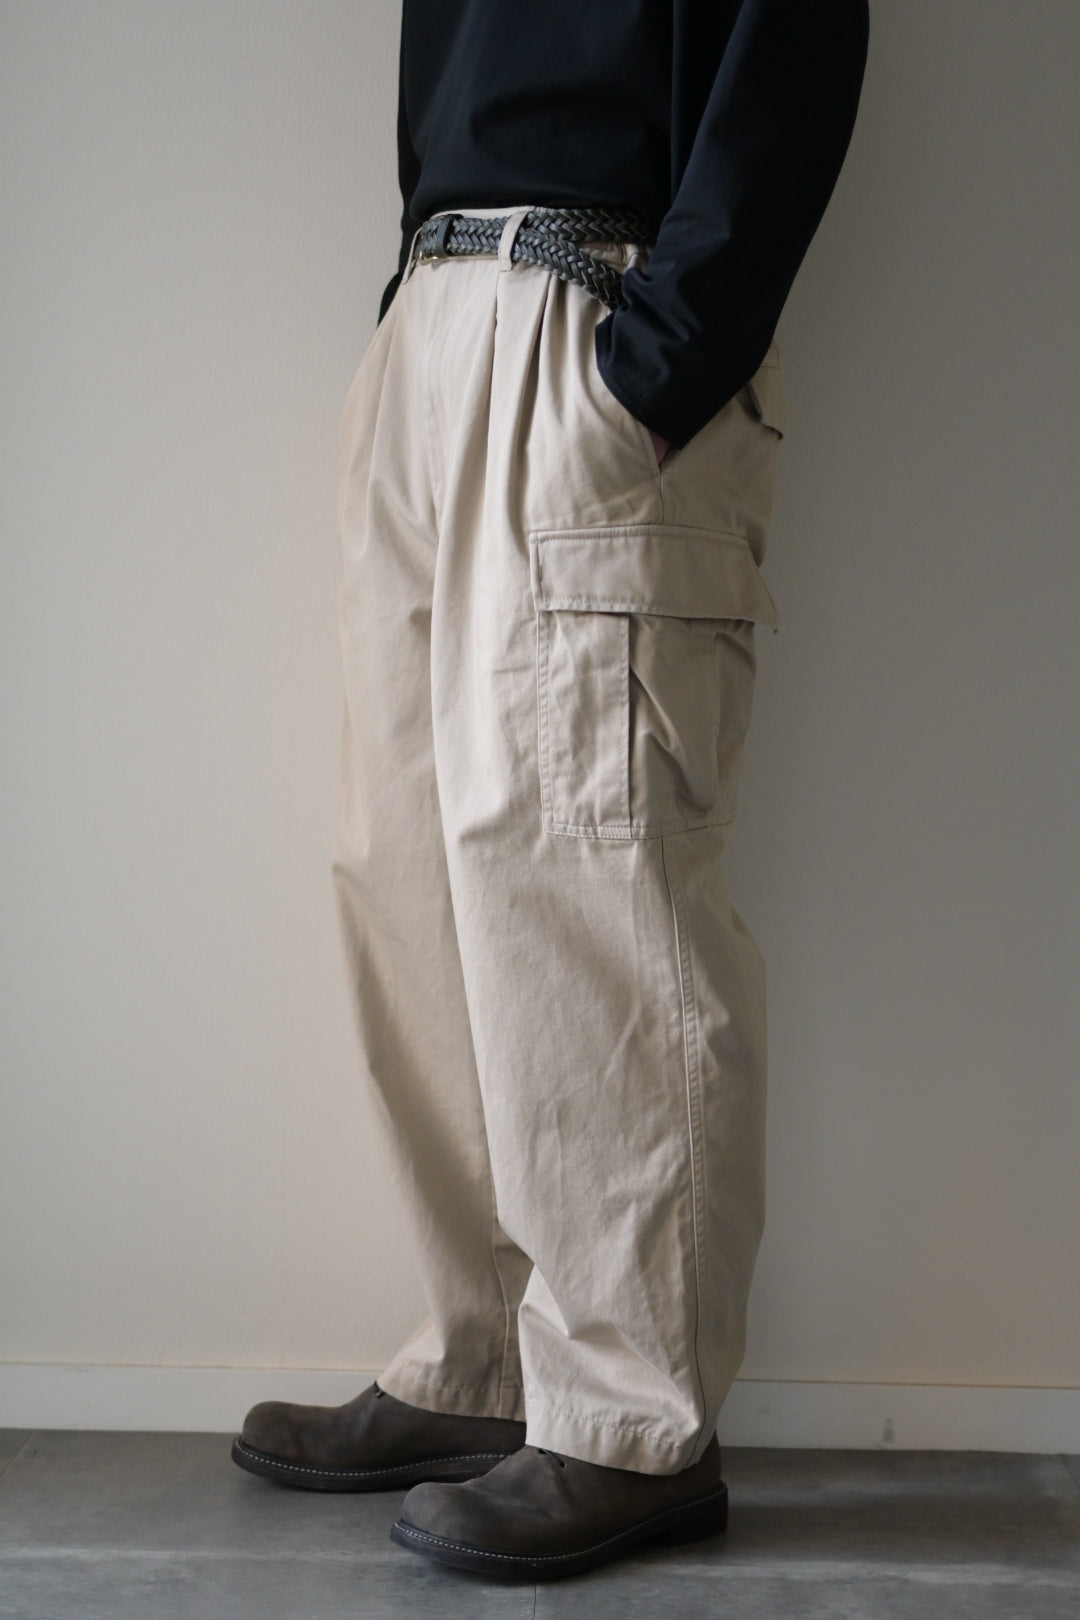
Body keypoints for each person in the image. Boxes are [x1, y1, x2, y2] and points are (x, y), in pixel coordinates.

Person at [231, 0, 870, 1581]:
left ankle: (632, 1417)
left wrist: (659, 358)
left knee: (590, 886)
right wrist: (412, 317)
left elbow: (794, 43)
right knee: (406, 876)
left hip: (590, 318)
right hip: (434, 327)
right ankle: (487, 1363)